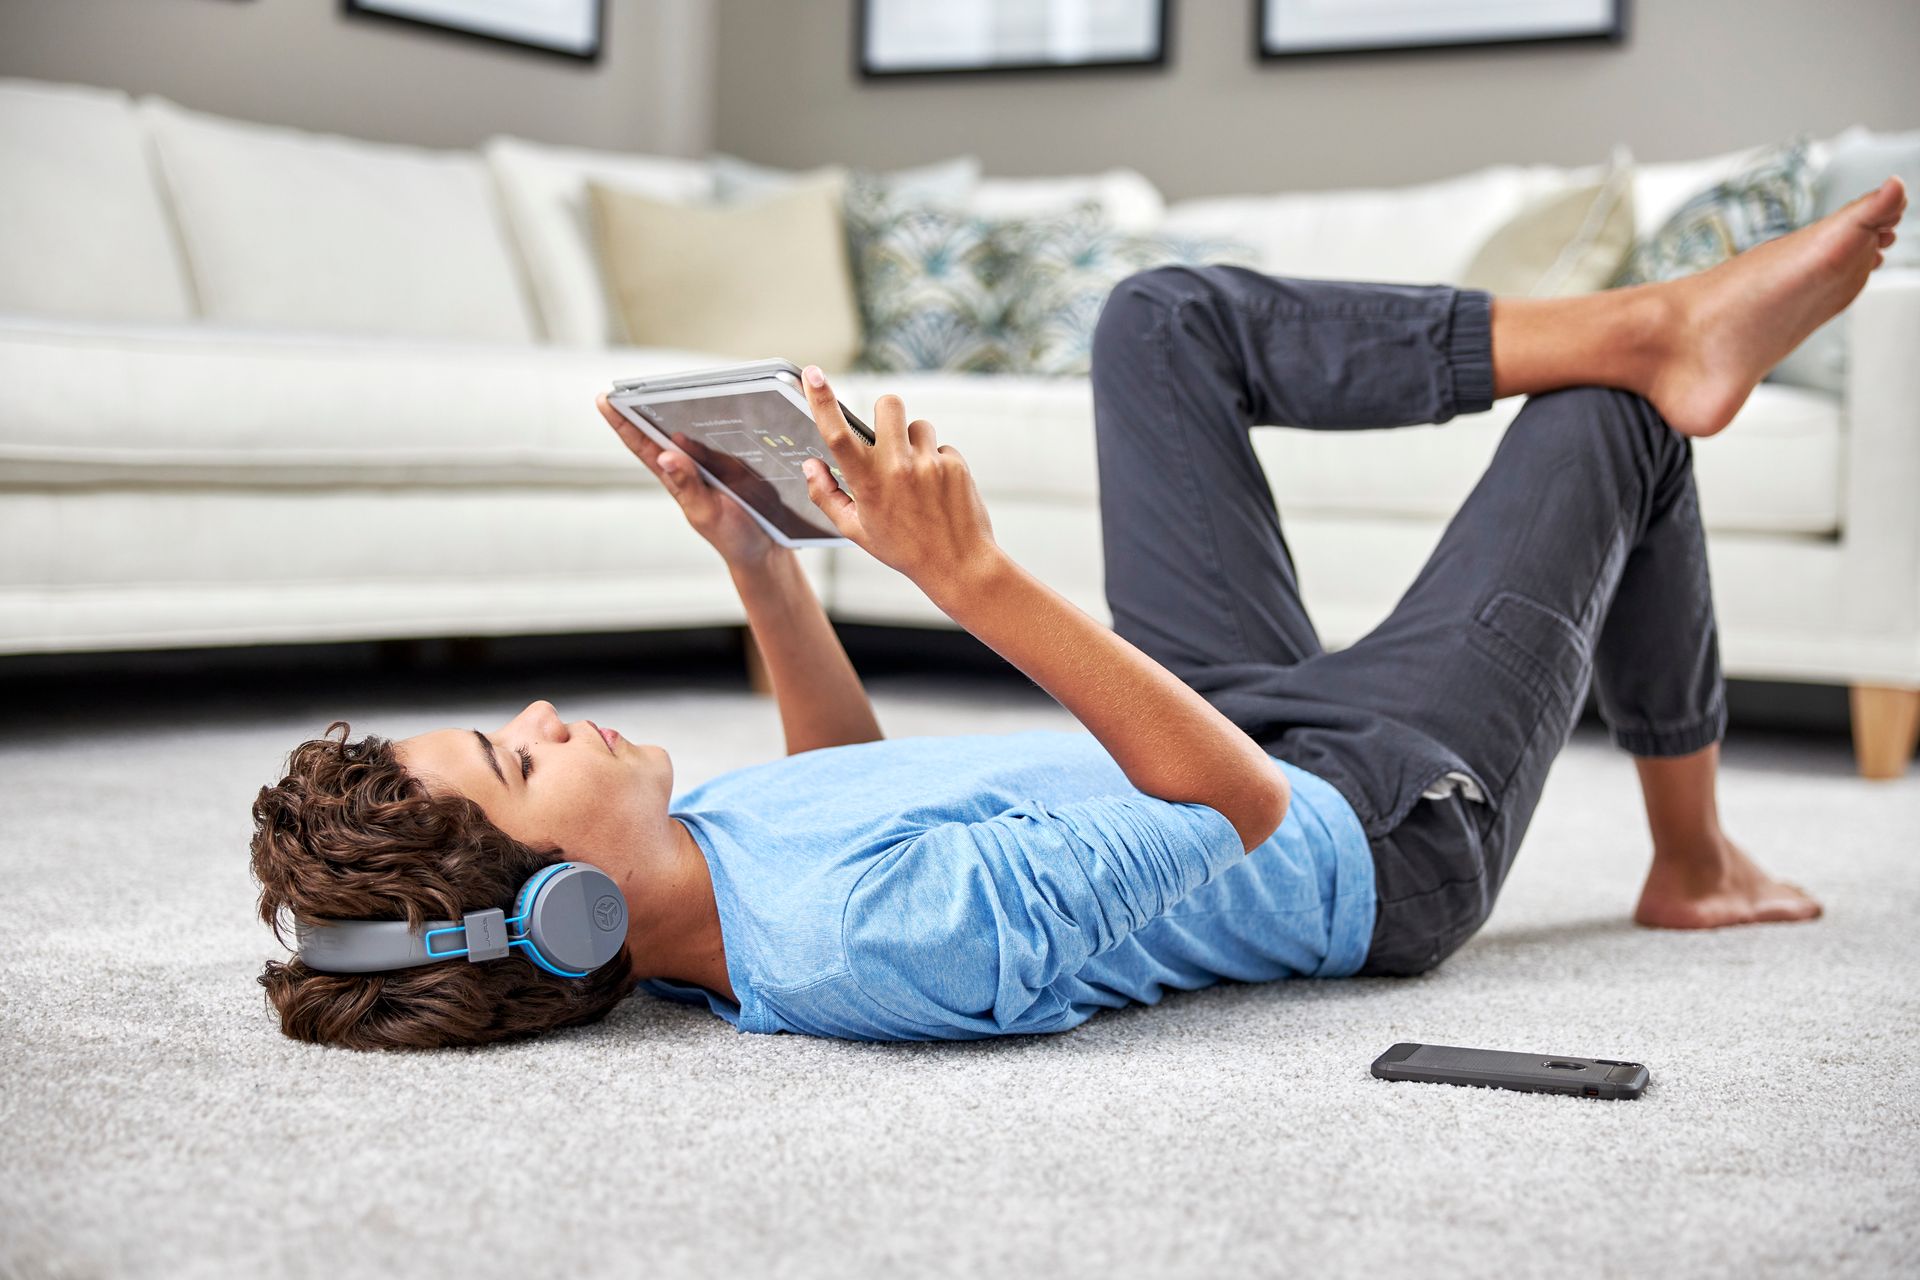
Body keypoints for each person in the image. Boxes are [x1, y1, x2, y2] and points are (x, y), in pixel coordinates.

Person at [250, 177, 1907, 1051]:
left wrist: (763, 565)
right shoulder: (876, 955)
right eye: (519, 763)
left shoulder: (695, 893)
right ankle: (1695, 860)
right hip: (1369, 814)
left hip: (1198, 720)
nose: (544, 719)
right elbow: (1240, 807)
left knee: (1156, 320)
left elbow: (857, 787)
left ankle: (1645, 318)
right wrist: (966, 581)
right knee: (1615, 423)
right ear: (569, 924)